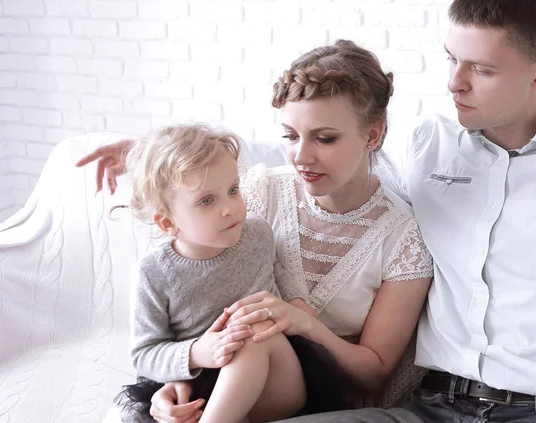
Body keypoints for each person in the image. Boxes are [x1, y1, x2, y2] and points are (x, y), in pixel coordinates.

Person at [77, 40, 434, 422]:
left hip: (309, 397)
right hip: (221, 381)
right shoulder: (261, 191)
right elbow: (194, 236)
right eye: (290, 136)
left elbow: (373, 373)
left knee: (253, 327)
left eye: (325, 138)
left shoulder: (402, 239)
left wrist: (307, 325)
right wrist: (174, 385)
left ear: (373, 135)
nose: (301, 156)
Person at [275, 0, 536, 422]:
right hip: (431, 407)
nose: (454, 83)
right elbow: (342, 187)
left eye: (481, 69)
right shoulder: (429, 146)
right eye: (452, 59)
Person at [114, 123, 313, 423]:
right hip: (205, 390)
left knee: (250, 325)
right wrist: (195, 353)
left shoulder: (257, 233)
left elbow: (281, 279)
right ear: (168, 224)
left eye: (233, 190)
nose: (230, 208)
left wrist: (298, 305)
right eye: (207, 200)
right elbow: (145, 354)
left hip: (275, 380)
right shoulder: (153, 274)